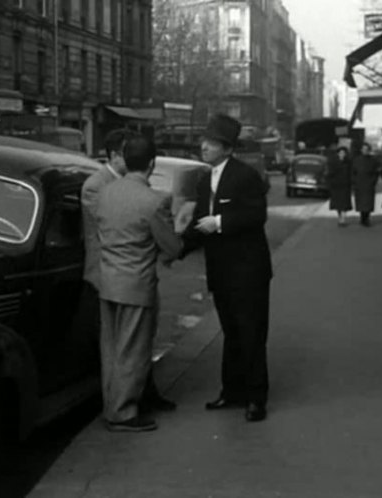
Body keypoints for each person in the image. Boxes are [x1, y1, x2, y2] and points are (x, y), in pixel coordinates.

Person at [182, 113, 273, 422]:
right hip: (221, 271)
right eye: (204, 141)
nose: (203, 146)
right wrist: (175, 248)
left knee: (251, 332)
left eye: (211, 142)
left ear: (227, 148)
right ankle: (232, 392)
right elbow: (197, 223)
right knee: (231, 332)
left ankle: (256, 398)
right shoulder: (205, 178)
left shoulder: (245, 176)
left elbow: (256, 216)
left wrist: (219, 222)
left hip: (248, 271)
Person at [82, 129, 176, 415]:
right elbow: (170, 246)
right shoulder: (152, 200)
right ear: (151, 164)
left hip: (111, 278)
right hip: (134, 282)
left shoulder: (107, 192)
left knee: (112, 351)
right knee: (132, 351)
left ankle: (118, 406)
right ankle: (122, 412)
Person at [352, 142, 379, 226]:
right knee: (360, 202)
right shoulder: (356, 160)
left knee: (368, 202)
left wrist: (373, 181)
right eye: (364, 149)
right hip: (359, 183)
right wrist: (354, 181)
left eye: (367, 149)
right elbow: (353, 172)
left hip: (369, 183)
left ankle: (366, 218)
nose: (365, 151)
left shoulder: (373, 160)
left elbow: (376, 172)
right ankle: (362, 217)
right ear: (361, 150)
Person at [326, 146, 352, 226]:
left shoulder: (348, 162)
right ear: (338, 154)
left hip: (345, 186)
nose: (342, 155)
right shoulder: (333, 162)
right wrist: (330, 183)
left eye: (343, 153)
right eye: (340, 153)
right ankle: (340, 217)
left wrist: (351, 182)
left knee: (344, 204)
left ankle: (343, 219)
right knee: (338, 204)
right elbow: (329, 174)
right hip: (336, 186)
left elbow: (351, 173)